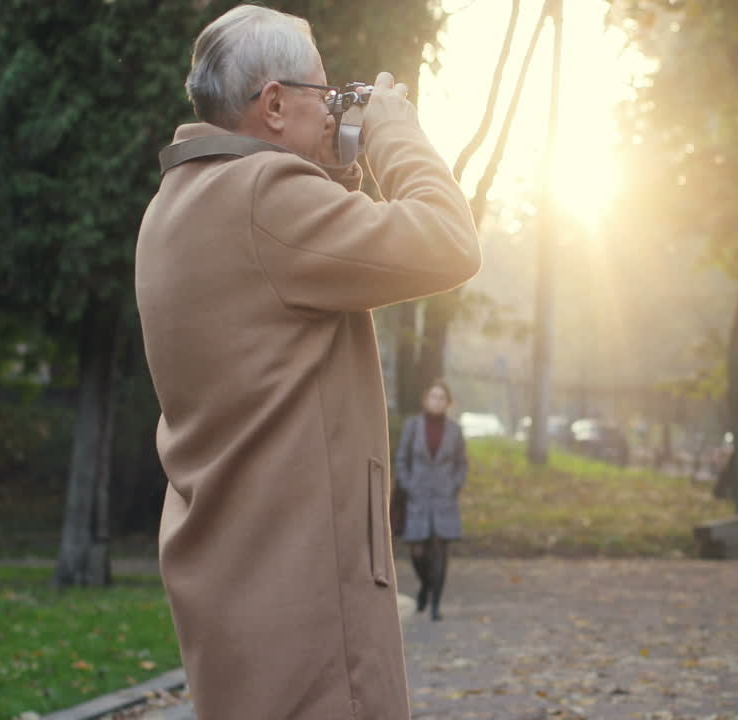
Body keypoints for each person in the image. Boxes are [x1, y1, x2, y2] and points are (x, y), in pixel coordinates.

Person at [134, 5, 480, 719]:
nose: (332, 112)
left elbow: (301, 276)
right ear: (273, 103)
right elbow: (450, 241)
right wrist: (392, 134)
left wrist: (334, 164)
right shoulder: (263, 198)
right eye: (324, 95)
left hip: (239, 584)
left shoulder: (176, 204)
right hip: (309, 600)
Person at [395, 380, 469, 621]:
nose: (437, 401)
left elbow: (461, 463)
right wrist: (408, 485)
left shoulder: (455, 430)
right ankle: (425, 586)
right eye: (433, 397)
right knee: (417, 553)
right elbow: (402, 458)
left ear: (448, 403)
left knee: (440, 552)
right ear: (426, 400)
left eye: (441, 398)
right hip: (418, 497)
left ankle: (435, 604)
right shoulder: (413, 426)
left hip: (444, 499)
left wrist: (454, 485)